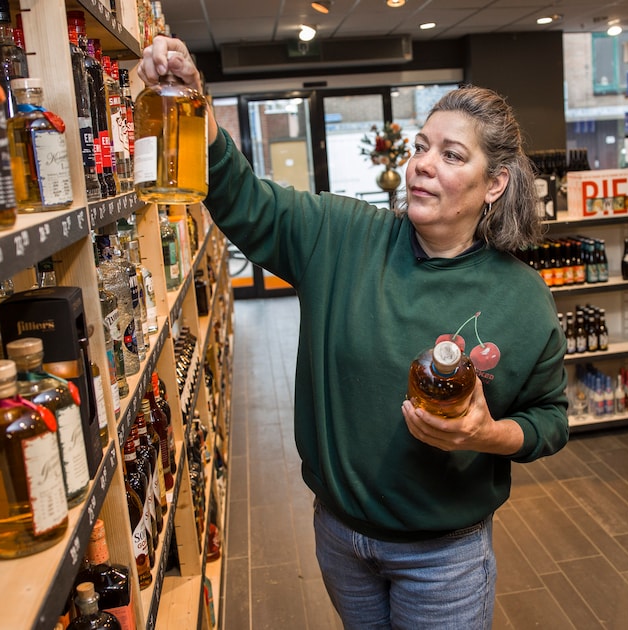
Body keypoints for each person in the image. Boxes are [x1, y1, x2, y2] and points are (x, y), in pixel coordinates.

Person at [140, 36, 569, 629]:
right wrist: (193, 103)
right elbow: (246, 200)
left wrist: (487, 434)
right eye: (422, 146)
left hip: (445, 557)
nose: (423, 162)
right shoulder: (341, 238)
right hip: (340, 538)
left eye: (451, 155)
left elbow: (550, 419)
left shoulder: (522, 298)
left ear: (493, 184)